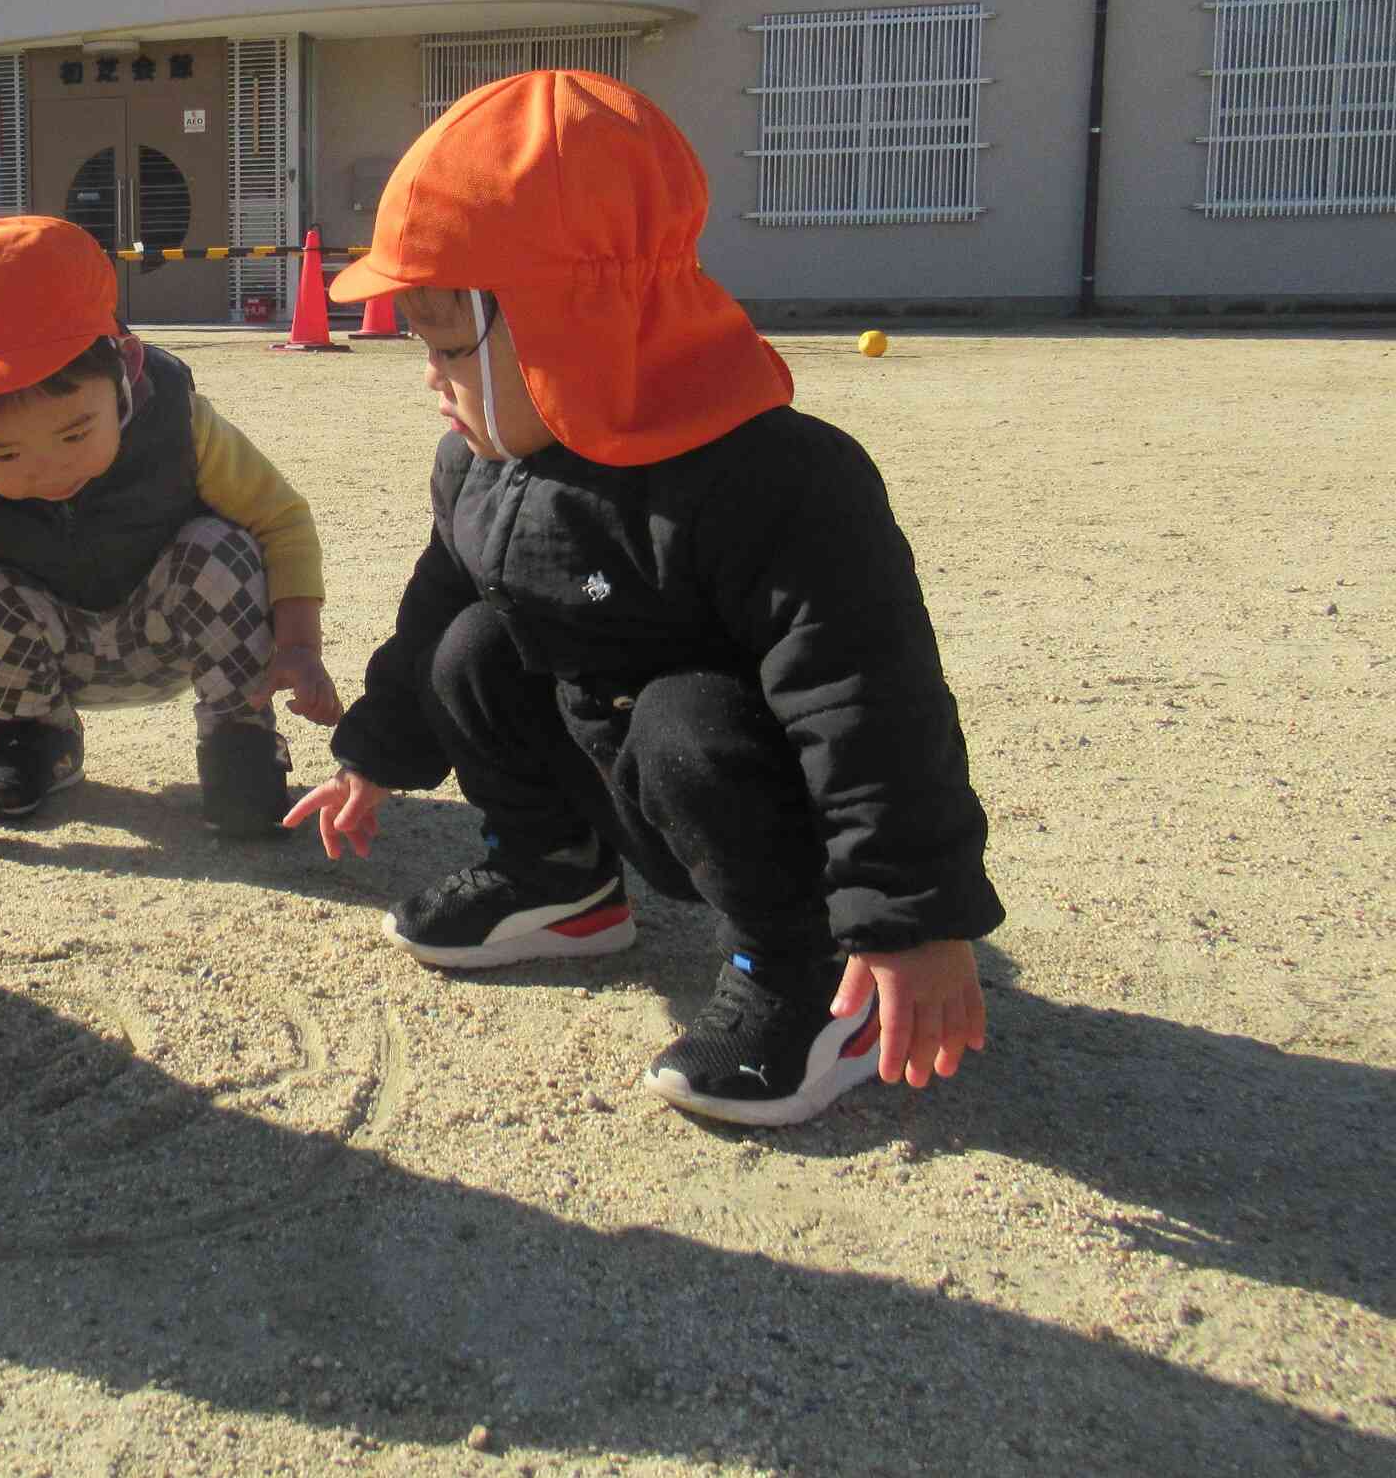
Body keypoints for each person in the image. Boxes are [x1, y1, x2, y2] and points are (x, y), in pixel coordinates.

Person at [285, 72, 1002, 1127]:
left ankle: (802, 979)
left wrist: (914, 920)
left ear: (572, 323)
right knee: (474, 645)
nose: (431, 380)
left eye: (448, 348)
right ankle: (557, 879)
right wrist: (376, 753)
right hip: (611, 773)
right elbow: (437, 603)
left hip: (740, 795)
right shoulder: (483, 462)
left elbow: (869, 702)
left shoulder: (781, 481)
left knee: (686, 720)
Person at [0, 215, 339, 839]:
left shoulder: (180, 424)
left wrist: (299, 646)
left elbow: (282, 520)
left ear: (126, 371)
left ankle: (238, 741)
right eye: (2, 454)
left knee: (220, 549)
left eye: (75, 432)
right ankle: (36, 739)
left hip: (169, 633)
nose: (48, 467)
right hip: (49, 656)